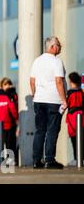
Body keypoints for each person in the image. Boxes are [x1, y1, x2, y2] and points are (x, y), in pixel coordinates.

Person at [30, 36, 67, 169]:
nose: (60, 47)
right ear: (52, 47)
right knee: (52, 130)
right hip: (53, 100)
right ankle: (49, 160)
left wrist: (35, 95)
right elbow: (58, 81)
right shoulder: (56, 61)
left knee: (40, 130)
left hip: (39, 100)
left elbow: (32, 81)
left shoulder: (37, 61)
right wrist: (64, 100)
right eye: (58, 45)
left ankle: (36, 160)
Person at [0, 79, 18, 163]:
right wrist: (16, 118)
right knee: (8, 142)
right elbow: (12, 108)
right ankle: (7, 159)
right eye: (6, 84)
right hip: (6, 123)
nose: (8, 86)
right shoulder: (7, 97)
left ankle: (1, 159)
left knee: (1, 142)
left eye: (9, 84)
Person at [65, 72, 83, 164]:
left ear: (70, 80)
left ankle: (76, 159)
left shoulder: (69, 93)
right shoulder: (81, 92)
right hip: (82, 116)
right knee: (81, 138)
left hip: (72, 117)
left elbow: (66, 104)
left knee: (74, 139)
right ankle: (81, 158)